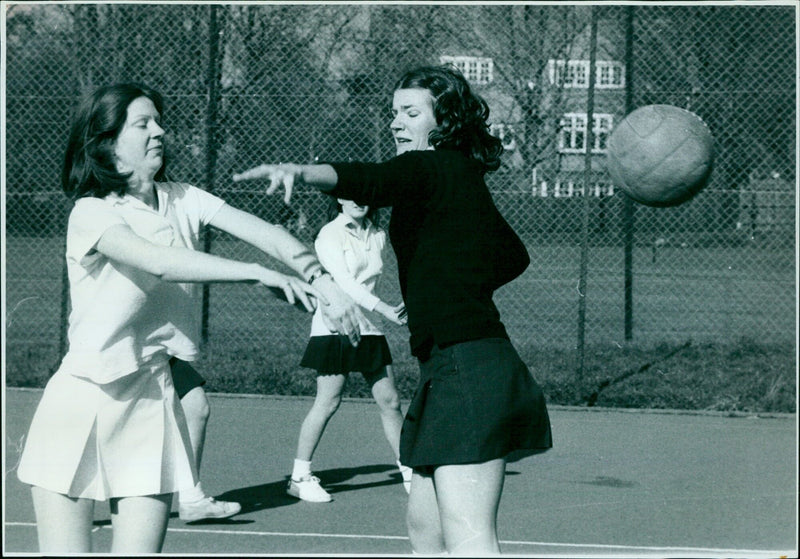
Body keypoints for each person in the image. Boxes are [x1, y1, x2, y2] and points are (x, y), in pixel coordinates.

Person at [16, 82, 362, 554]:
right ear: (106, 142)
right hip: (82, 405)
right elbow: (159, 260)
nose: (160, 131)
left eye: (159, 120)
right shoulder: (91, 213)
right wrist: (254, 273)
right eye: (143, 124)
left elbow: (269, 234)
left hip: (150, 401)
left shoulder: (183, 198)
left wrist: (323, 282)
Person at [234, 65, 553, 556]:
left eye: (410, 112)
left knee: (470, 538)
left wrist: (300, 172)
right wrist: (444, 286)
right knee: (425, 529)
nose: (396, 122)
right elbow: (513, 255)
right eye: (393, 113)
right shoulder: (455, 177)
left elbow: (369, 177)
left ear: (443, 121)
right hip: (452, 364)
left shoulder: (433, 165)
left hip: (469, 368)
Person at [287, 196, 412, 503]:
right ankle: (299, 478)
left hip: (368, 328)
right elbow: (343, 282)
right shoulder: (328, 234)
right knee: (328, 401)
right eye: (351, 194)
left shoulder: (378, 235)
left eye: (365, 194)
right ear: (340, 199)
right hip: (335, 326)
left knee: (390, 400)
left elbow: (374, 281)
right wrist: (384, 308)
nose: (359, 200)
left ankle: (409, 470)